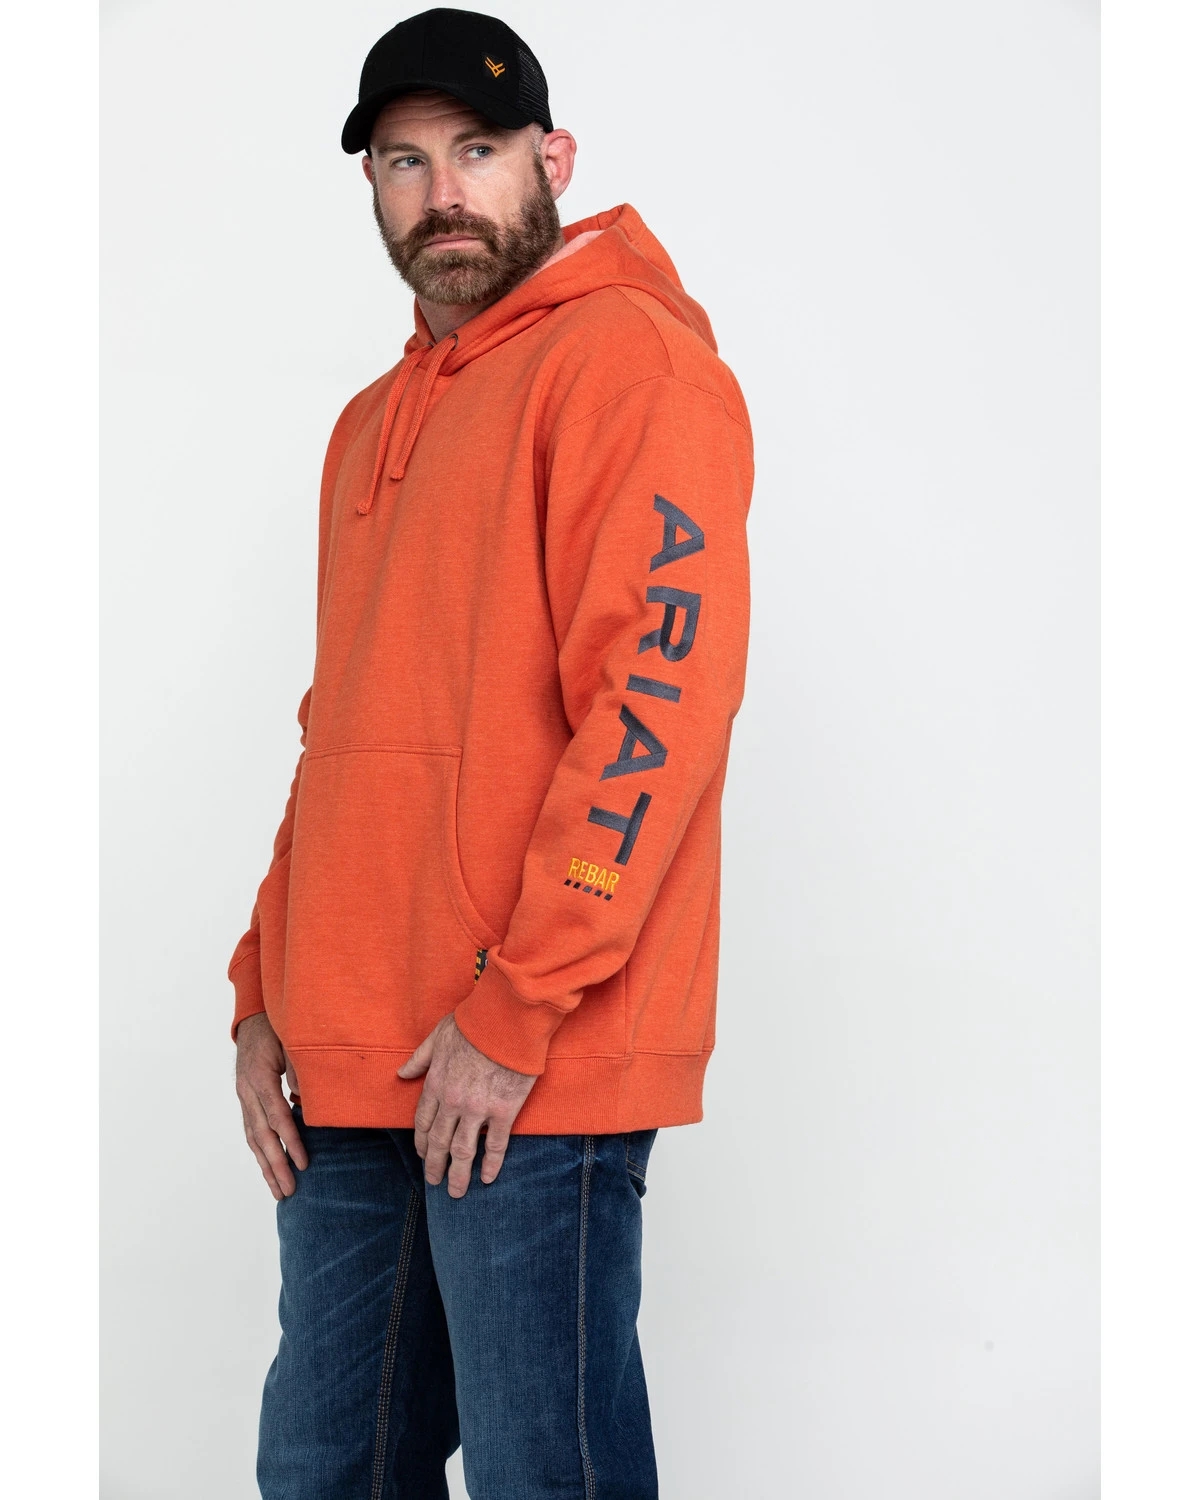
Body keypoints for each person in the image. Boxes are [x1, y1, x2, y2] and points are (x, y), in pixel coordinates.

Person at [228, 8, 753, 1497]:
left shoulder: (631, 367)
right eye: (406, 161)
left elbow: (657, 706)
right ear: (372, 186)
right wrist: (264, 985)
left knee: (546, 1475)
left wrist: (520, 1004)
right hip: (348, 1056)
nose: (442, 192)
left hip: (534, 1062)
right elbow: (340, 730)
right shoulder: (369, 424)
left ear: (553, 160)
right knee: (324, 1470)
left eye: (478, 150)